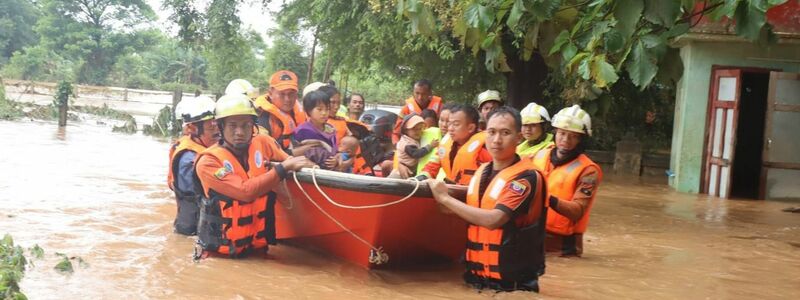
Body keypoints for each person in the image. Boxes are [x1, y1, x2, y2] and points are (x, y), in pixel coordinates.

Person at [427, 106, 547, 293]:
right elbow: (465, 210)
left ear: (518, 137)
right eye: (491, 132)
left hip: (511, 286)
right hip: (476, 278)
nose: (497, 140)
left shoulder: (526, 177)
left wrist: (444, 198)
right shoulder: (482, 171)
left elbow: (493, 220)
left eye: (505, 133)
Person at [194, 94, 314, 258]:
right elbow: (245, 192)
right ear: (221, 127)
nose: (240, 132)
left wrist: (313, 167)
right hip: (220, 256)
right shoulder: (208, 162)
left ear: (253, 126)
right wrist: (281, 170)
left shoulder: (263, 142)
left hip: (257, 250)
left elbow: (290, 160)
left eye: (246, 125)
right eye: (232, 126)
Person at [530, 104, 603, 257]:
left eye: (573, 136)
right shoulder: (539, 156)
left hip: (563, 246)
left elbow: (577, 211)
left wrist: (546, 198)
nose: (566, 140)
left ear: (581, 140)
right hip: (533, 236)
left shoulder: (589, 170)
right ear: (555, 132)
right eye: (562, 133)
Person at [167, 96, 220, 235]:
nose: (217, 133)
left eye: (218, 125)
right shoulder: (189, 159)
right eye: (211, 128)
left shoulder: (203, 148)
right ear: (192, 128)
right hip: (192, 229)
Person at [417, 104, 491, 185]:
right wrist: (421, 178)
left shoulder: (485, 148)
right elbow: (432, 167)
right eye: (450, 123)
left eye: (455, 124)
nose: (450, 128)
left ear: (471, 128)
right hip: (450, 191)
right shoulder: (445, 144)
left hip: (472, 194)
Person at [253, 70, 317, 156]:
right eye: (282, 94)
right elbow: (263, 153)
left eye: (291, 94)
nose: (287, 99)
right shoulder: (262, 118)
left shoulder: (299, 111)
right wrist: (295, 153)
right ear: (270, 93)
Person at [293, 90, 342, 170]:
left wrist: (335, 159)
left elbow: (335, 150)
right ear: (309, 110)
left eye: (327, 109)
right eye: (319, 109)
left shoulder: (331, 129)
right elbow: (299, 154)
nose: (324, 113)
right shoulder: (303, 131)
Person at [389, 114, 438, 179]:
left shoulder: (413, 138)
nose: (418, 131)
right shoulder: (407, 144)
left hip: (410, 169)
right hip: (403, 171)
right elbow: (417, 154)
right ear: (405, 130)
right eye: (414, 129)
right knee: (391, 183)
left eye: (420, 129)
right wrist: (430, 146)